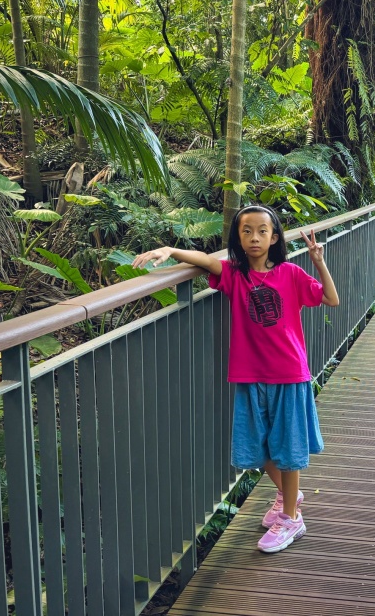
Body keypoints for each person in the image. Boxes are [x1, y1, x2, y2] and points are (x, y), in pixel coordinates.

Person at [132, 205, 339, 553]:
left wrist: (318, 261)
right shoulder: (235, 275)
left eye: (262, 231)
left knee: (287, 447)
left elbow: (332, 299)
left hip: (288, 372)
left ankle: (292, 518)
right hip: (250, 373)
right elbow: (204, 260)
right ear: (238, 238)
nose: (254, 237)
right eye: (246, 231)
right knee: (257, 446)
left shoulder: (290, 273)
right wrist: (170, 251)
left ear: (274, 238)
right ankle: (290, 495)